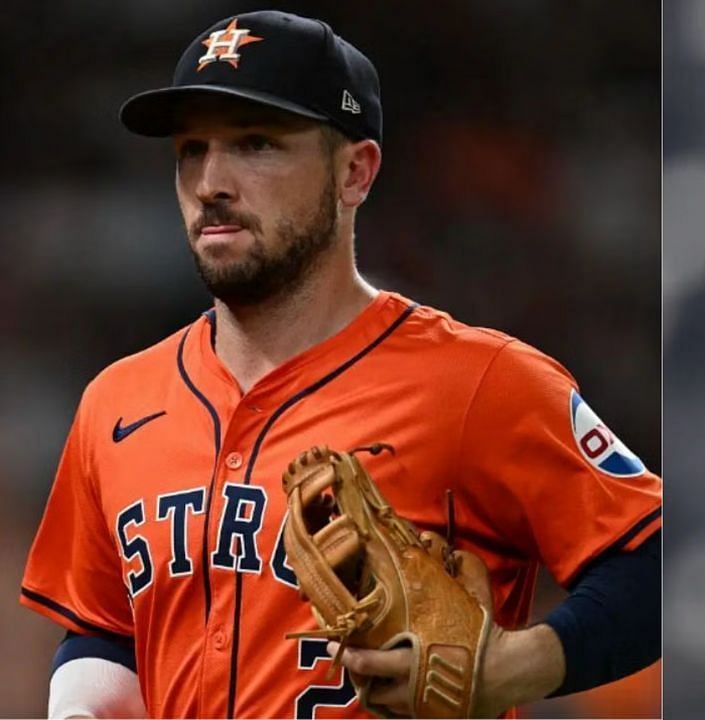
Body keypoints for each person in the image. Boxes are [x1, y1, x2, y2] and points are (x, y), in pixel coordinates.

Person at [19, 10, 661, 718]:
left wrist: (514, 666)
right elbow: (106, 628)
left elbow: (656, 562)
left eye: (256, 143)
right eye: (191, 150)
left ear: (355, 172)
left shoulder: (481, 384)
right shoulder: (117, 401)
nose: (211, 182)